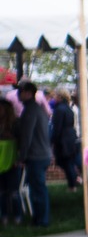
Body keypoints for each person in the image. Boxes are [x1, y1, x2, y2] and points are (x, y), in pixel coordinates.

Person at [14, 82, 52, 227]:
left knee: (38, 189)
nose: (18, 95)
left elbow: (27, 136)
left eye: (21, 92)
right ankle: (39, 218)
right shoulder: (36, 109)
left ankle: (42, 220)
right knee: (37, 189)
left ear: (28, 93)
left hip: (36, 156)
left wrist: (22, 157)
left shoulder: (31, 110)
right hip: (42, 154)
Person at [50, 88, 81, 191]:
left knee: (65, 163)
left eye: (55, 96)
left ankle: (72, 183)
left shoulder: (58, 110)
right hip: (71, 137)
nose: (54, 98)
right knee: (69, 162)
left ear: (60, 97)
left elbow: (57, 127)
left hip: (63, 140)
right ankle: (74, 180)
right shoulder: (69, 109)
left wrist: (53, 140)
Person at [0, 98, 19, 224]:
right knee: (1, 192)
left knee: (13, 192)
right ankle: (4, 216)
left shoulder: (15, 124)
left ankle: (18, 216)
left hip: (13, 163)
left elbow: (21, 141)